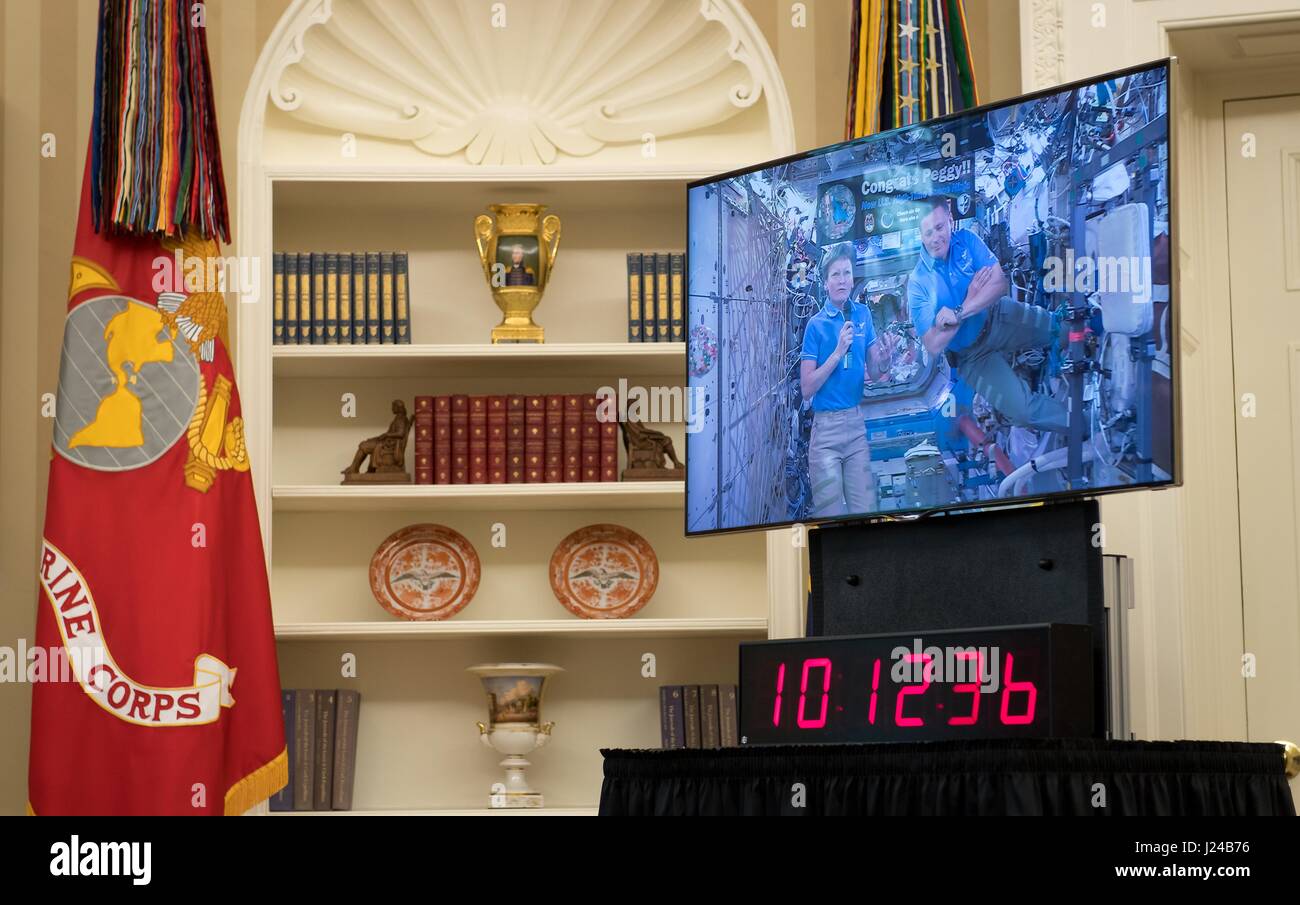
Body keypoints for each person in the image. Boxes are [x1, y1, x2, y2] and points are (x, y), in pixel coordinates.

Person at [906, 195, 1069, 433]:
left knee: (1061, 331)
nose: (935, 238)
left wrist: (959, 312)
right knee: (1023, 411)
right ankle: (1086, 425)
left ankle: (1099, 342)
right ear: (921, 235)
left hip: (999, 317)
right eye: (928, 232)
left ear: (950, 220)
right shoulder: (918, 282)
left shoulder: (968, 241)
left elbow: (999, 284)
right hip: (972, 357)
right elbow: (932, 344)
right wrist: (972, 299)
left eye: (939, 227)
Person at [800, 242, 893, 518]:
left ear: (853, 278)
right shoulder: (815, 326)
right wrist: (838, 352)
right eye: (835, 275)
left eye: (847, 273)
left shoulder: (863, 315)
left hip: (855, 427)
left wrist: (885, 361)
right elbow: (807, 388)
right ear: (826, 283)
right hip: (826, 431)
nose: (842, 280)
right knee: (831, 517)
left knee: (866, 511)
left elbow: (875, 373)